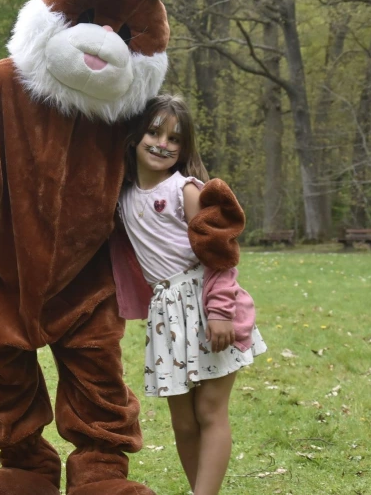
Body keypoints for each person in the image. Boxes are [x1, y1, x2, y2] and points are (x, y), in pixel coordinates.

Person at [113, 94, 266, 495]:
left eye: (174, 138)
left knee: (209, 411)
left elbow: (220, 255)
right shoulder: (122, 196)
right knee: (182, 422)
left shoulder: (187, 191)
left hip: (207, 306)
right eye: (153, 132)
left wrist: (219, 312)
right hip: (166, 315)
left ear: (184, 147)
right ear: (135, 136)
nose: (162, 143)